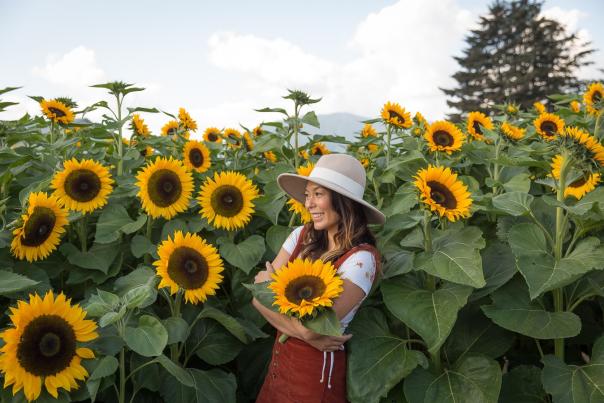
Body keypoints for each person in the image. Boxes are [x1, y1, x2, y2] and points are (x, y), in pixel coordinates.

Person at [252, 153, 385, 403]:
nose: (308, 203)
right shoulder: (301, 235)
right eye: (307, 195)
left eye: (318, 194)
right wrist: (304, 333)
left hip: (316, 378)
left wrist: (271, 291)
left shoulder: (360, 260)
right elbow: (257, 299)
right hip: (279, 368)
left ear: (343, 201)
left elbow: (315, 328)